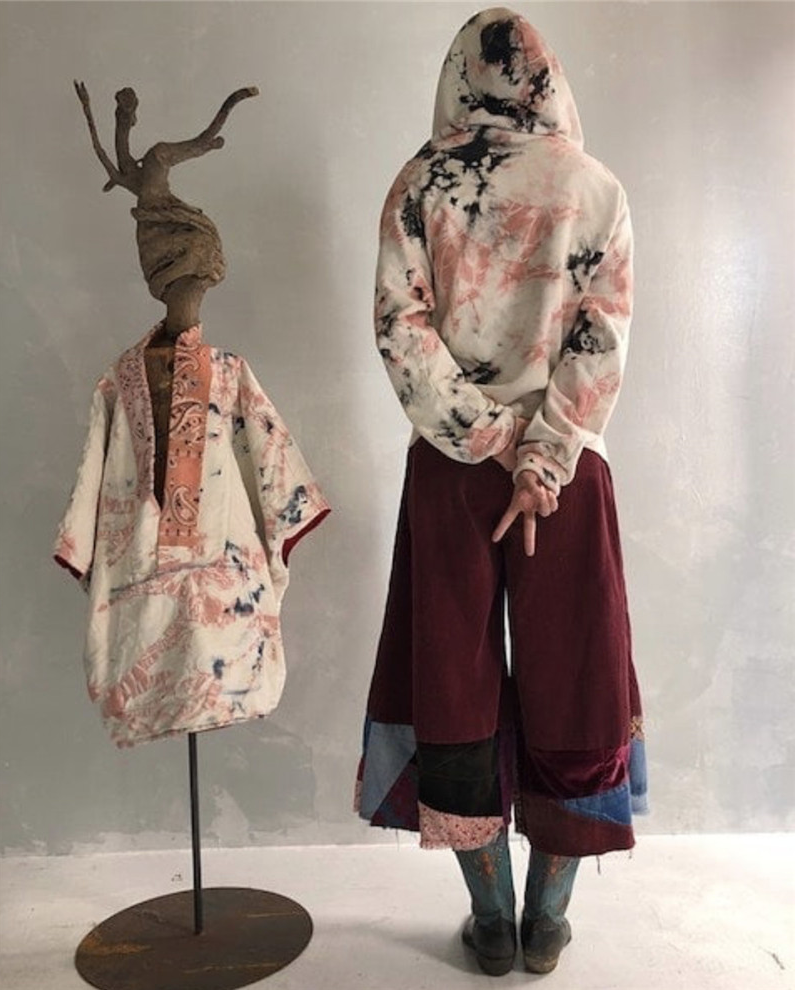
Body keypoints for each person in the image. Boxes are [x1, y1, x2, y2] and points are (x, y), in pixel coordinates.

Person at [355, 7, 647, 978]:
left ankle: (490, 920)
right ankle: (545, 921)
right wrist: (540, 456)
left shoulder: (419, 184)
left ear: (458, 75)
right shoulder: (593, 187)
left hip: (451, 471)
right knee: (580, 680)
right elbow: (600, 337)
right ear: (547, 78)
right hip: (566, 476)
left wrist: (485, 441)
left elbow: (400, 330)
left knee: (453, 683)